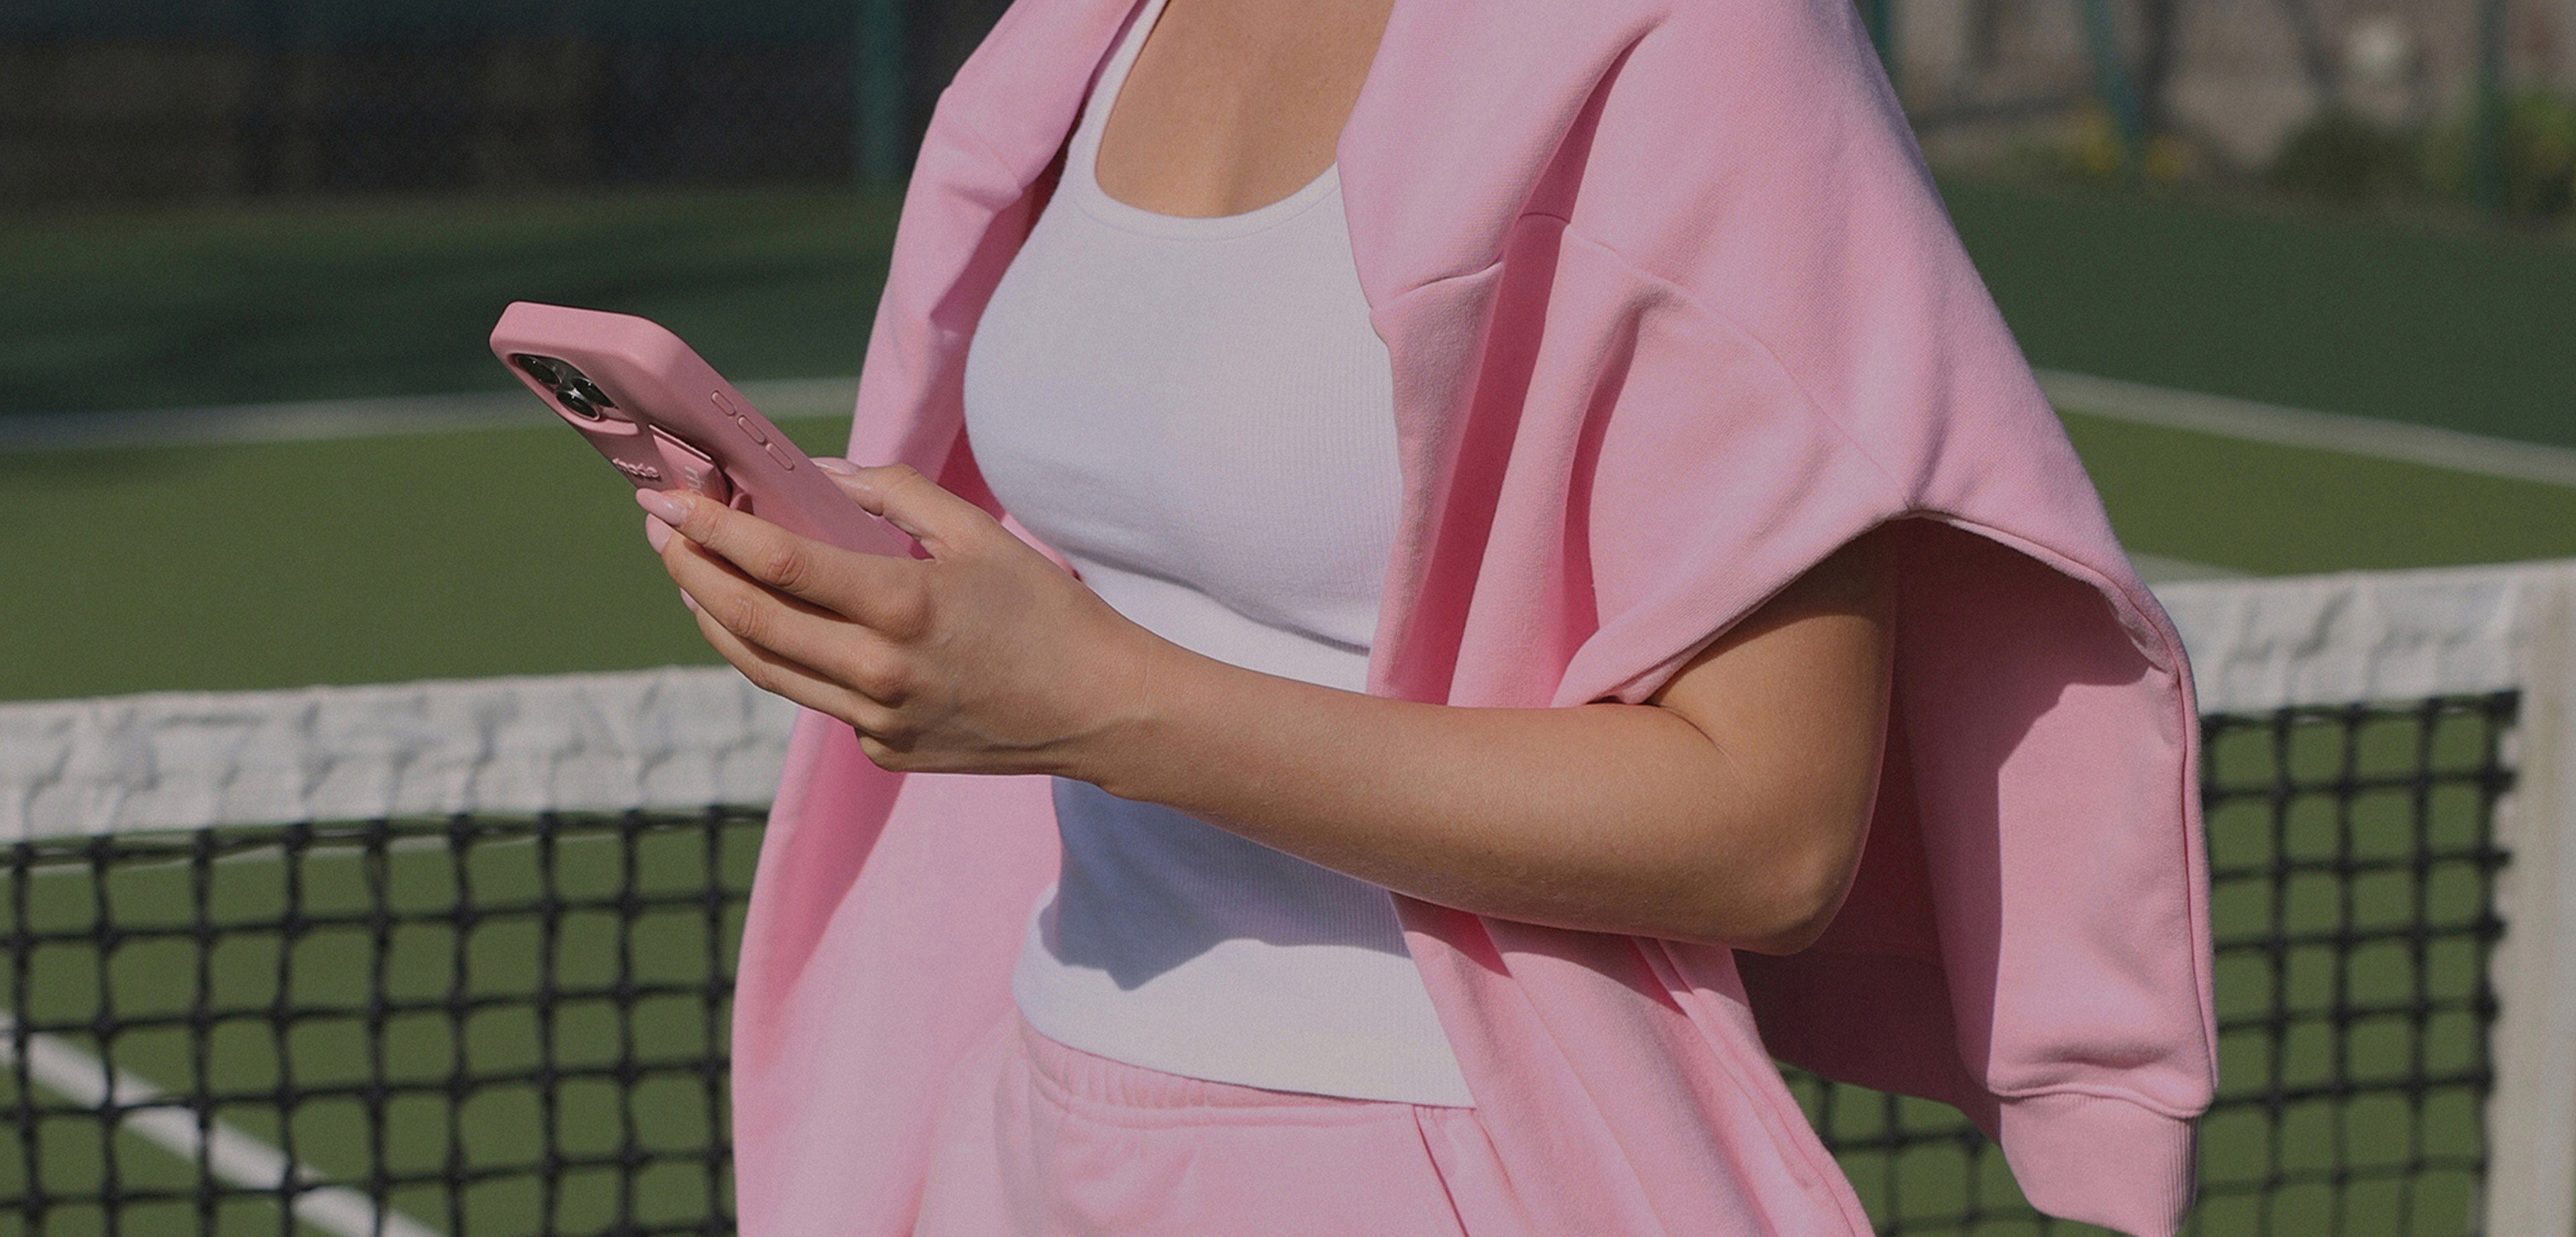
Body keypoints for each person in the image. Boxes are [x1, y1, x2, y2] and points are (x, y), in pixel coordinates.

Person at [637, 0, 2218, 1233]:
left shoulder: (1712, 38)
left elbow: (1775, 830)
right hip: (1044, 1118)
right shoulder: (1090, 28)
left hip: (1443, 1156)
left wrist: (1095, 703)